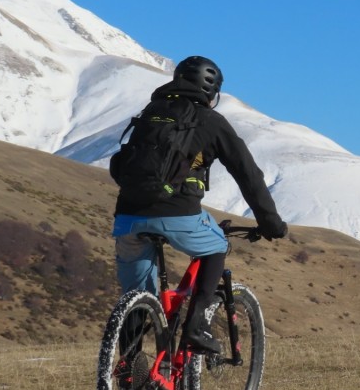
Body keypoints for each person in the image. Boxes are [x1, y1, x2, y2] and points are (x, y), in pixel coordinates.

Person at [110, 55, 287, 353]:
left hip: (127, 217)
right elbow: (248, 174)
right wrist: (270, 222)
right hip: (178, 213)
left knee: (138, 302)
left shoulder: (151, 112)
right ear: (212, 92)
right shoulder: (211, 121)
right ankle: (197, 326)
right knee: (216, 247)